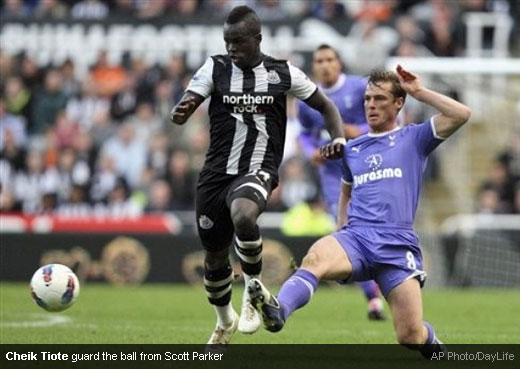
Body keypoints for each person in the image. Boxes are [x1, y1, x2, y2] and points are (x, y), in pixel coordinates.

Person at [249, 66, 471, 357]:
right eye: (367, 99)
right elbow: (346, 193)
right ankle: (278, 310)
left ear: (398, 103)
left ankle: (440, 351)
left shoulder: (414, 139)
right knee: (315, 258)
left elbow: (461, 114)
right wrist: (342, 230)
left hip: (396, 244)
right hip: (357, 238)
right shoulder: (352, 150)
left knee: (410, 334)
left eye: (379, 99)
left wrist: (419, 91)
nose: (371, 105)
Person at [169, 5, 345, 345]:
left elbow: (326, 105)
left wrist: (337, 137)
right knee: (214, 256)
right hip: (215, 174)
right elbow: (190, 98)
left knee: (244, 214)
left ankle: (253, 289)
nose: (231, 48)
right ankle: (224, 321)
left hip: (258, 168)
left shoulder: (283, 73)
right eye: (227, 41)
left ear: (257, 39)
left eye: (238, 41)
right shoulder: (216, 67)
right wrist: (183, 109)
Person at [298, 44, 385, 320]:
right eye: (319, 60)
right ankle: (373, 298)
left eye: (329, 59)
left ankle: (385, 283)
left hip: (367, 168)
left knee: (374, 230)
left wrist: (356, 130)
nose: (324, 65)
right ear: (314, 66)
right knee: (349, 232)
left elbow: (387, 120)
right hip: (334, 175)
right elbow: (303, 133)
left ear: (339, 63)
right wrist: (310, 149)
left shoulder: (359, 88)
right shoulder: (307, 98)